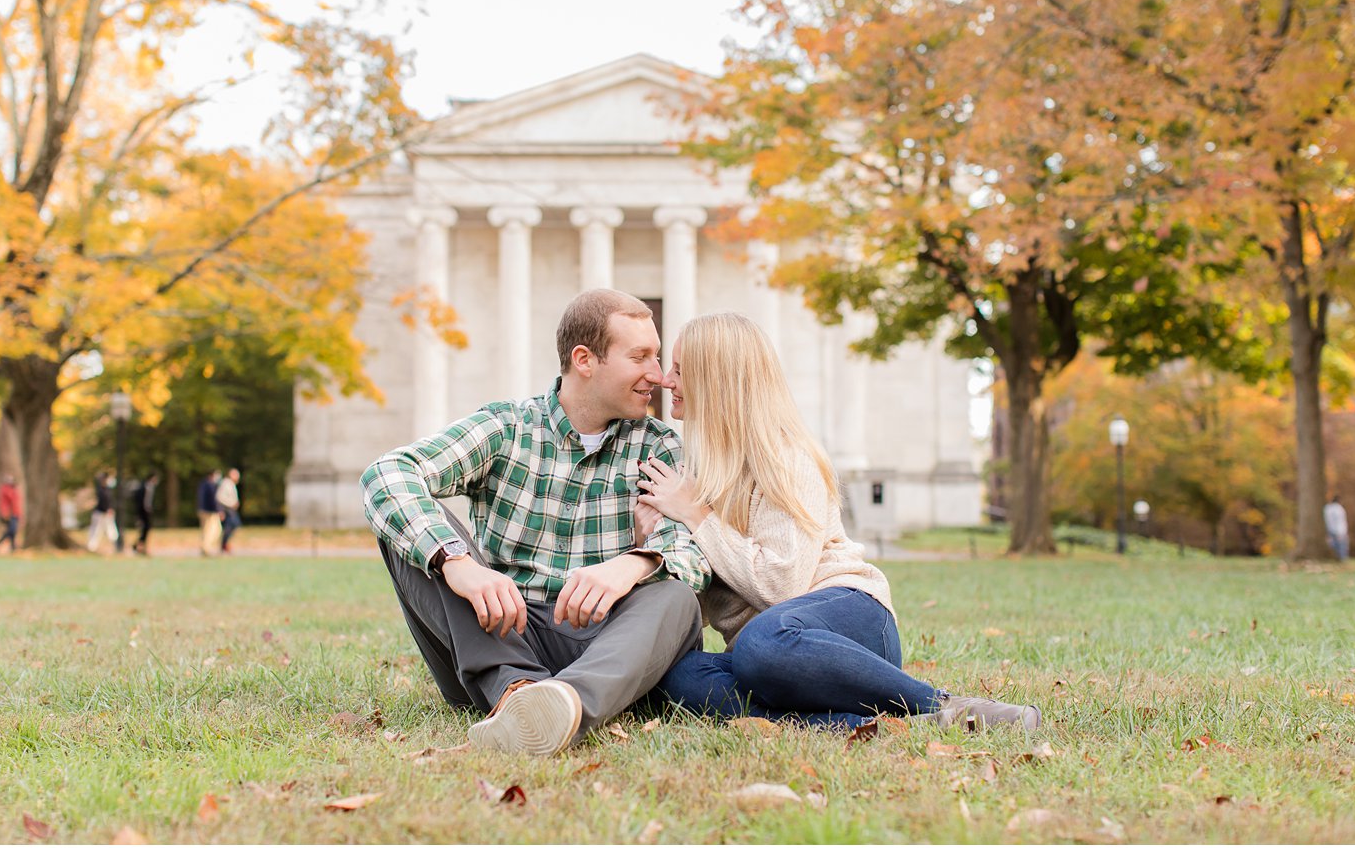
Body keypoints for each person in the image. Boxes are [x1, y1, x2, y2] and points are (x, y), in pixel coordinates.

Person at [637, 312, 1041, 735]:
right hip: (770, 662)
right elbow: (695, 602)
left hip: (847, 624)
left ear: (716, 380)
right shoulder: (692, 473)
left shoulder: (785, 459)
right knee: (680, 677)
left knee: (762, 641)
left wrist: (698, 517)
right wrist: (648, 543)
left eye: (680, 370)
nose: (666, 380)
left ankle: (945, 704)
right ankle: (867, 725)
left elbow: (781, 585)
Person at [362, 289, 710, 757]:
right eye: (640, 357)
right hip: (496, 634)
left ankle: (563, 703)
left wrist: (632, 564)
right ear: (584, 359)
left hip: (606, 646)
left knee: (676, 594)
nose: (657, 375)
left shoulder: (659, 447)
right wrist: (459, 564)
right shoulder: (508, 428)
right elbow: (387, 474)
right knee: (417, 535)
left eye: (657, 357)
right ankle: (515, 692)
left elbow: (690, 554)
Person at [87, 471, 117, 552]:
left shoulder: (108, 489)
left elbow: (109, 501)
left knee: (111, 530)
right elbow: (103, 501)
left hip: (107, 513)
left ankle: (115, 546)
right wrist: (107, 509)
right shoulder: (100, 489)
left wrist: (110, 509)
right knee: (96, 530)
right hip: (100, 512)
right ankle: (92, 547)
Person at [0, 475, 22, 553]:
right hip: (9, 514)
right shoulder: (5, 490)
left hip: (15, 513)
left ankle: (12, 546)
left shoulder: (14, 489)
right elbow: (5, 503)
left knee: (12, 530)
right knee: (11, 530)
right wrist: (4, 513)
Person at [196, 469, 221, 557]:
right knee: (212, 530)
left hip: (202, 510)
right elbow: (213, 500)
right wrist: (218, 510)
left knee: (206, 530)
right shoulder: (210, 485)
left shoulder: (203, 484)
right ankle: (206, 548)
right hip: (209, 512)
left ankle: (205, 547)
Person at [132, 473, 158, 556]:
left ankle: (140, 546)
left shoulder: (150, 487)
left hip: (146, 512)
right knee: (144, 529)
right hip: (143, 512)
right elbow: (141, 501)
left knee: (146, 529)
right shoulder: (144, 487)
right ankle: (138, 546)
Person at [217, 468, 242, 554]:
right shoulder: (226, 483)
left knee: (234, 525)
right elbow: (220, 497)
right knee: (231, 526)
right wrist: (231, 504)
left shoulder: (231, 484)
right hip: (227, 509)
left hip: (230, 509)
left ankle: (225, 544)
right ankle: (224, 544)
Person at [1323, 495, 1349, 562]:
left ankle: (1336, 558)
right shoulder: (1339, 509)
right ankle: (1342, 559)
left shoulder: (1327, 508)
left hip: (1330, 529)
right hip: (1339, 530)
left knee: (1334, 545)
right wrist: (1341, 531)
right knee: (1341, 545)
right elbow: (1340, 521)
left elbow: (1327, 520)